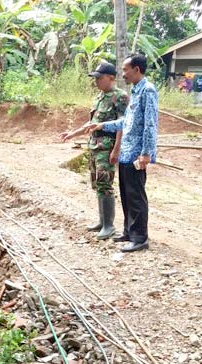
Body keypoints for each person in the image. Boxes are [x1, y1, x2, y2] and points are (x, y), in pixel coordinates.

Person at [89, 54, 158, 253]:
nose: (123, 74)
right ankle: (128, 232)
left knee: (136, 196)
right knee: (127, 195)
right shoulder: (135, 91)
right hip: (127, 153)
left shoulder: (148, 90)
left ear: (137, 70)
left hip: (137, 153)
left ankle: (140, 238)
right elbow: (125, 122)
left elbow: (150, 125)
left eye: (126, 69)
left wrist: (146, 153)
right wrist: (102, 124)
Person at [60, 62, 128, 240]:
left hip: (107, 147)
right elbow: (91, 123)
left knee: (105, 184)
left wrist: (116, 149)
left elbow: (122, 125)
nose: (96, 81)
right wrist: (73, 134)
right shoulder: (99, 97)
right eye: (95, 78)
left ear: (111, 78)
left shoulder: (120, 97)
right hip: (95, 145)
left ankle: (109, 225)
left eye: (99, 78)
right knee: (97, 183)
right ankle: (101, 221)